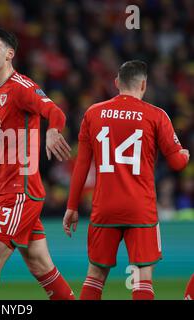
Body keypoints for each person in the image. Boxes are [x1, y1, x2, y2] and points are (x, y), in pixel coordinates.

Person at [63, 60, 190, 300]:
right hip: (140, 208)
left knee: (95, 276)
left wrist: (71, 206)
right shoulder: (156, 115)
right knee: (142, 278)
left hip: (104, 208)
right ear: (144, 84)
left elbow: (81, 164)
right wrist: (183, 155)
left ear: (116, 83)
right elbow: (176, 163)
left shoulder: (93, 113)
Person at [0, 27, 75, 300]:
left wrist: (52, 130)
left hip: (20, 193)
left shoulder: (22, 87)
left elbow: (55, 112)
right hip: (4, 190)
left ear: (9, 54)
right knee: (41, 266)